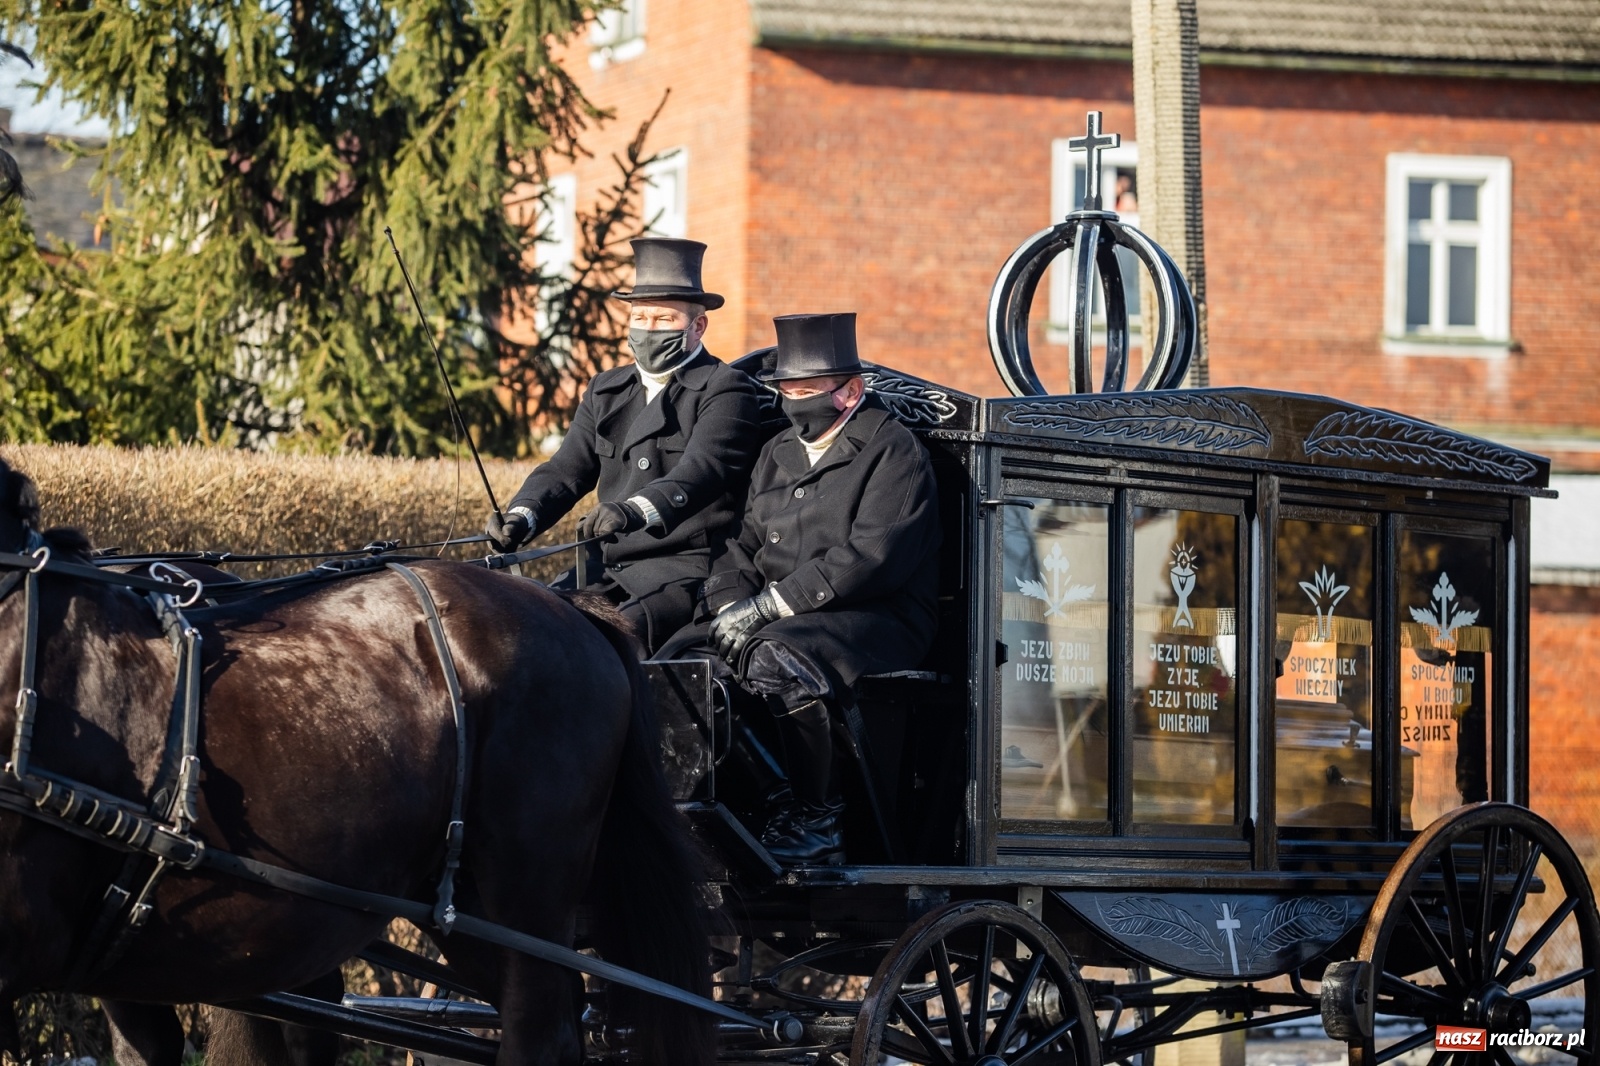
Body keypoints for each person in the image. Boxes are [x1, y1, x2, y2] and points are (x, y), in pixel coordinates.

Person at [660, 313, 941, 865]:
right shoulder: (777, 452)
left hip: (876, 617)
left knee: (774, 657)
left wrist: (768, 607)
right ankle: (771, 802)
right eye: (786, 392)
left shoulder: (894, 450)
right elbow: (741, 543)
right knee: (684, 661)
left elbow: (872, 556)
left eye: (806, 392)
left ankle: (819, 821)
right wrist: (730, 605)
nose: (793, 405)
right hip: (780, 617)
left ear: (850, 392)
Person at [487, 237, 762, 653]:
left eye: (663, 319)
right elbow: (566, 469)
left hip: (684, 569)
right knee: (525, 628)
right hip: (606, 567)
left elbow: (702, 470)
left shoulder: (725, 389)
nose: (648, 329)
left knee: (604, 645)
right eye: (639, 317)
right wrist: (522, 516)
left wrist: (633, 510)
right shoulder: (605, 390)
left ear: (697, 327)